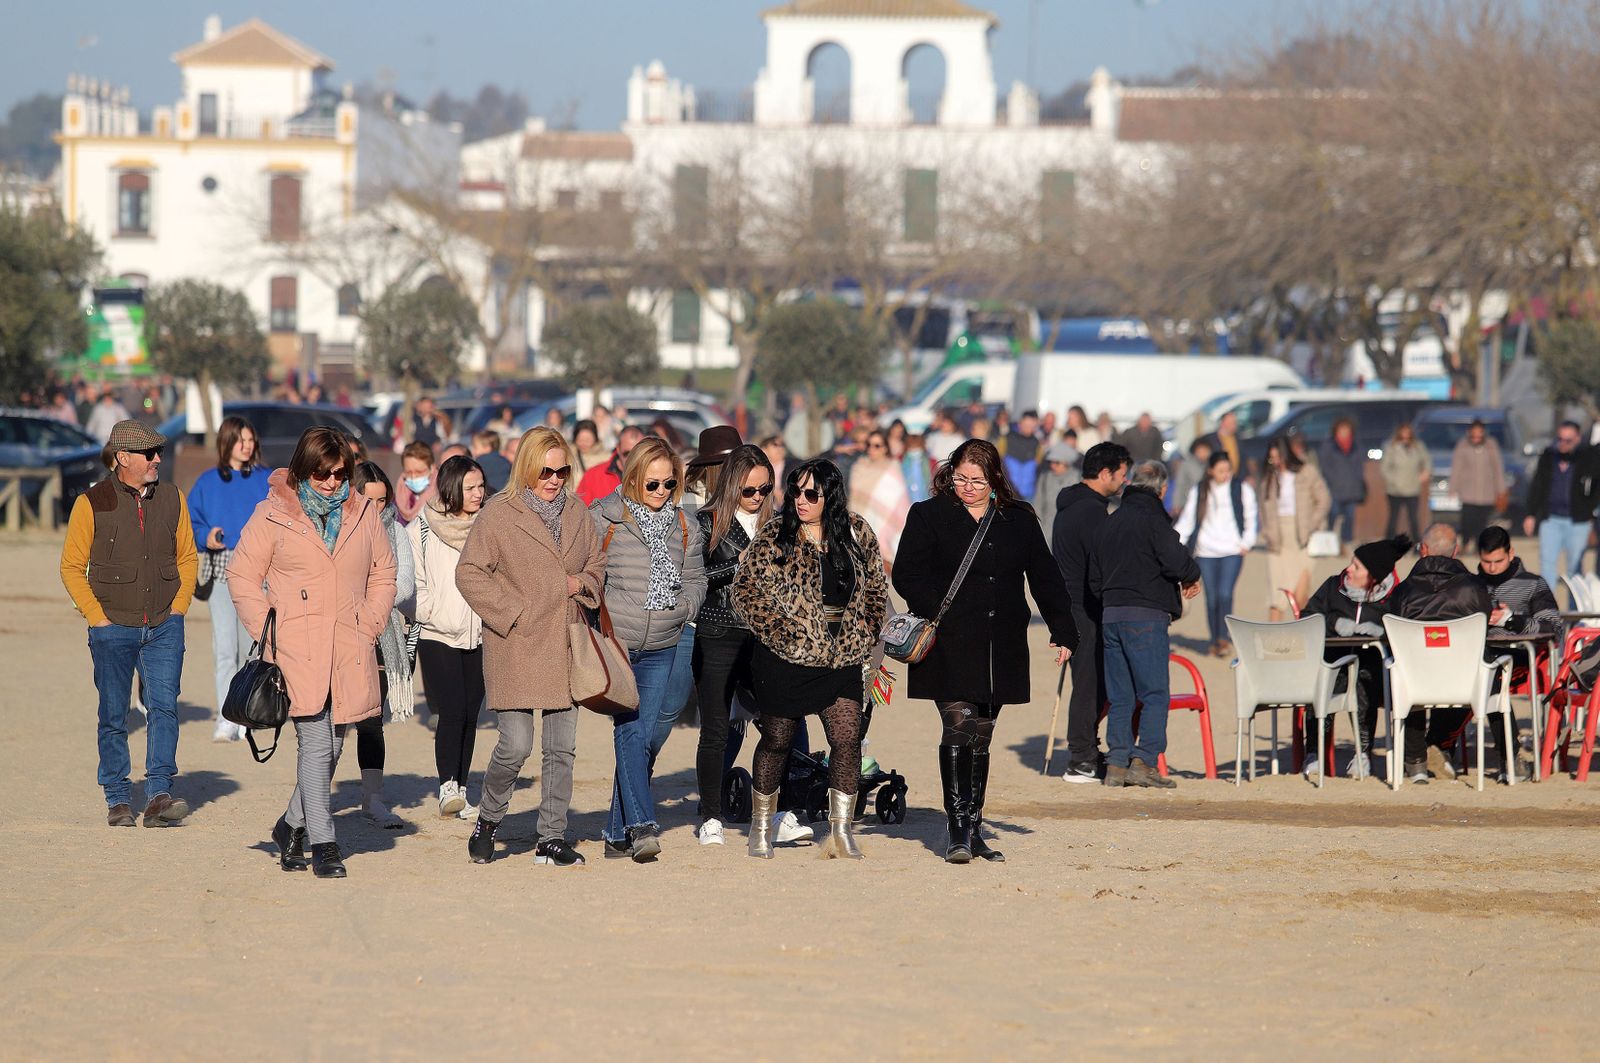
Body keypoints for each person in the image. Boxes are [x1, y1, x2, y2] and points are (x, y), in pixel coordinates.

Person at [896, 440, 1077, 862]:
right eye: (960, 478)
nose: (967, 487)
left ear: (995, 479)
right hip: (948, 641)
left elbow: (1045, 576)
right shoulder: (927, 514)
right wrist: (941, 609)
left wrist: (1063, 628)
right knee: (958, 726)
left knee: (982, 735)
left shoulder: (1018, 519)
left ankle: (975, 829)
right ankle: (957, 828)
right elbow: (906, 574)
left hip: (1001, 644)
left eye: (977, 481)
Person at [230, 427, 397, 878]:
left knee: (335, 744)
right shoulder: (273, 514)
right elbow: (242, 576)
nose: (331, 482)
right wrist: (270, 633)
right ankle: (324, 844)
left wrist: (371, 621)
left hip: (349, 642)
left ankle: (289, 825)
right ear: (304, 469)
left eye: (340, 473)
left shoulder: (363, 512)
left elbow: (384, 572)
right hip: (296, 647)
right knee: (317, 743)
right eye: (322, 473)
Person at [456, 427, 604, 868]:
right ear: (526, 467)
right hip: (516, 644)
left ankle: (551, 837)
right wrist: (512, 612)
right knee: (516, 745)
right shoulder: (499, 514)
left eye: (562, 471)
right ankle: (488, 820)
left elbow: (597, 563)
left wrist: (582, 584)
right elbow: (469, 573)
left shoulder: (578, 512)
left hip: (565, 641)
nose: (554, 479)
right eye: (545, 471)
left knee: (561, 750)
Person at [733, 458, 889, 860]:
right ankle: (761, 828)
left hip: (842, 657)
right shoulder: (776, 534)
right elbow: (745, 590)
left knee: (847, 739)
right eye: (795, 491)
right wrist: (781, 633)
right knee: (777, 740)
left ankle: (841, 832)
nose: (800, 500)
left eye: (811, 494)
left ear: (830, 496)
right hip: (785, 660)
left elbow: (876, 587)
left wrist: (866, 629)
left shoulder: (857, 532)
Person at [60, 420, 198, 828]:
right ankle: (118, 797)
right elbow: (71, 567)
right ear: (122, 457)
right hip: (112, 627)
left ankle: (158, 795)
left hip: (164, 624)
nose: (158, 459)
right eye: (149, 453)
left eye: (159, 452)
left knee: (164, 707)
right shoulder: (91, 503)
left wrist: (179, 608)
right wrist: (97, 618)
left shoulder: (173, 498)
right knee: (114, 715)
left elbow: (188, 557)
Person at [690, 444, 814, 848]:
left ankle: (777, 813)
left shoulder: (779, 525)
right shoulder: (706, 522)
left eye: (764, 489)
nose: (758, 497)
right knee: (715, 729)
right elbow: (695, 578)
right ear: (731, 486)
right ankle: (711, 817)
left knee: (783, 724)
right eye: (749, 491)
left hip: (766, 636)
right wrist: (741, 561)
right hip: (717, 632)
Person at [590, 437, 707, 861]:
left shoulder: (685, 525)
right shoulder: (604, 518)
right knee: (631, 730)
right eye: (652, 484)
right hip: (618, 643)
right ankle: (641, 826)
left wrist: (684, 608)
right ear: (633, 478)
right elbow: (589, 572)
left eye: (669, 484)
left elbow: (696, 579)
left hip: (663, 644)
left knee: (644, 739)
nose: (661, 492)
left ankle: (614, 832)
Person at [1089, 460, 1202, 788]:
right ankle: (1145, 762)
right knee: (1154, 694)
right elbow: (1177, 561)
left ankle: (1116, 765)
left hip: (1111, 615)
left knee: (1121, 696)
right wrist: (1191, 576)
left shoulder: (1110, 522)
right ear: (1162, 490)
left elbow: (1094, 578)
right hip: (1146, 617)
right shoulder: (1154, 520)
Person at [409, 455, 488, 820]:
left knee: (471, 713)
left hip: (481, 632)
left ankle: (462, 789)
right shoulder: (422, 527)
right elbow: (412, 581)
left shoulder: (489, 525)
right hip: (437, 632)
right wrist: (430, 612)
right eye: (470, 487)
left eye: (481, 486)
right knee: (452, 710)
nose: (478, 493)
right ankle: (447, 787)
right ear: (452, 487)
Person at [185, 415, 273, 742]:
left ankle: (248, 712)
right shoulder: (207, 482)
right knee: (224, 647)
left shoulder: (266, 479)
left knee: (251, 647)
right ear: (227, 442)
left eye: (251, 440)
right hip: (221, 567)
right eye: (240, 440)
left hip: (258, 570)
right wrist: (205, 536)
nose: (247, 446)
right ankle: (226, 716)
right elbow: (190, 522)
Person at [1388, 522, 1496, 784]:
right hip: (1462, 683)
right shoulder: (1475, 588)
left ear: (1423, 550)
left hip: (1416, 682)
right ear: (1456, 551)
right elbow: (1485, 624)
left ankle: (1415, 760)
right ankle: (1440, 745)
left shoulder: (1402, 592)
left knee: (1404, 667)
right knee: (1485, 666)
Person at [1050, 442, 1131, 783]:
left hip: (1072, 605)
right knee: (1090, 683)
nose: (1125, 481)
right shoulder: (1091, 513)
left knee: (1091, 682)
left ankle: (1086, 751)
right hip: (1084, 607)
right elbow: (1099, 568)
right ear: (1105, 473)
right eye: (1122, 475)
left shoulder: (1074, 505)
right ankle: (1081, 759)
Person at [1300, 535, 1410, 779]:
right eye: (1351, 562)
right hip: (1334, 664)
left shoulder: (1396, 596)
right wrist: (1334, 623)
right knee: (1322, 680)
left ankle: (1363, 755)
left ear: (1374, 577)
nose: (1348, 569)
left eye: (1357, 567)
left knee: (1363, 679)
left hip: (1376, 674)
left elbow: (1406, 631)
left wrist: (1382, 632)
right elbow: (1307, 617)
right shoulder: (1333, 586)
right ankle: (1314, 754)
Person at [348, 462, 415, 829]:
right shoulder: (338, 528)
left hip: (382, 633)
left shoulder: (397, 532)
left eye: (382, 500)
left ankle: (372, 797)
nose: (376, 508)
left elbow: (404, 583)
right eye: (368, 500)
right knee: (330, 723)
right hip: (341, 632)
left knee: (372, 721)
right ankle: (312, 797)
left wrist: (373, 598)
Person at [1476, 525, 1558, 783]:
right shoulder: (1470, 585)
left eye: (1498, 561)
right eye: (1486, 562)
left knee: (1489, 675)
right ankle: (1436, 747)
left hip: (1520, 656)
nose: (1492, 568)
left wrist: (1512, 621)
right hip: (1477, 656)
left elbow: (1553, 627)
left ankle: (1510, 757)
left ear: (1511, 553)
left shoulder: (1533, 584)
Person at [1174, 451, 1258, 657]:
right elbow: (1187, 520)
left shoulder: (1242, 488)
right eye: (1221, 471)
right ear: (1210, 471)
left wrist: (1247, 542)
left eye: (1228, 470)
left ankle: (1223, 638)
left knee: (1225, 594)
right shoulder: (1199, 490)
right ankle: (1214, 639)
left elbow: (1251, 515)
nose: (1225, 474)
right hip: (1205, 552)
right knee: (1212, 598)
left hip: (1232, 550)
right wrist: (1175, 543)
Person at [1522, 421, 1598, 600]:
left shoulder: (1588, 457)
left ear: (1578, 439)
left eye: (1568, 440)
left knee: (1574, 568)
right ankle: (1548, 608)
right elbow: (1537, 486)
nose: (1563, 444)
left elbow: (1596, 487)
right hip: (1551, 520)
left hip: (1578, 522)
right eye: (1560, 439)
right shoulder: (1549, 456)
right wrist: (1531, 514)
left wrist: (1590, 513)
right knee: (1547, 565)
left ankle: (1576, 609)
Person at [1259, 434, 1332, 620]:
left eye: (1278, 457)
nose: (1275, 461)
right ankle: (1274, 635)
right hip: (1277, 539)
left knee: (1300, 595)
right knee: (1276, 595)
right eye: (1271, 458)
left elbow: (1323, 499)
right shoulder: (1269, 477)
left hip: (1304, 538)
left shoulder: (1307, 472)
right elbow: (1262, 508)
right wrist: (1266, 531)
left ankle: (1300, 633)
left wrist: (1313, 523)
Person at [848, 428, 912, 568]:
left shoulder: (893, 467)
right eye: (869, 445)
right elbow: (855, 497)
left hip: (887, 521)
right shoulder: (859, 466)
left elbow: (899, 500)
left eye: (877, 446)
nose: (872, 449)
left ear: (885, 448)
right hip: (863, 519)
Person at [1449, 419, 1505, 544]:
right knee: (1467, 520)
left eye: (1479, 434)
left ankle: (1478, 544)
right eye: (1474, 435)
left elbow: (1497, 468)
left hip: (1487, 492)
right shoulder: (1462, 445)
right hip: (1468, 492)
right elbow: (1456, 468)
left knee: (1482, 521)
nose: (1476, 438)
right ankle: (1465, 542)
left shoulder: (1491, 445)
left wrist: (1501, 489)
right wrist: (1453, 488)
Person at [1319, 417, 1367, 545]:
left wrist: (1358, 481)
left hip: (1352, 488)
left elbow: (1360, 465)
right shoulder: (1329, 445)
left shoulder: (1356, 445)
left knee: (1350, 517)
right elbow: (1325, 466)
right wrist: (1332, 480)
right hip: (1335, 487)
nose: (1344, 432)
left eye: (1347, 429)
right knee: (1333, 513)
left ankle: (1346, 542)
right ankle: (1329, 541)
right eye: (1342, 429)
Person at [1379, 422, 1431, 539]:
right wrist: (1393, 480)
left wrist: (1425, 473)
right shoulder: (1391, 447)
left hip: (1412, 488)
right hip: (1395, 489)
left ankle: (1417, 542)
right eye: (1403, 432)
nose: (1406, 435)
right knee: (1393, 518)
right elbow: (1384, 467)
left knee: (1413, 518)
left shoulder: (1418, 446)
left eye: (1408, 432)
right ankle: (1388, 542)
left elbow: (1427, 460)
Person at [577, 424, 644, 506]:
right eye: (627, 454)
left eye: (638, 454)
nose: (633, 459)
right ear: (618, 448)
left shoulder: (654, 477)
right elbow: (579, 510)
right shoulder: (593, 476)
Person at [684, 425, 743, 506]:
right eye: (731, 466)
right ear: (707, 468)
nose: (738, 471)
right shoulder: (690, 503)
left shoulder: (748, 494)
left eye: (741, 464)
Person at [1033, 440, 1082, 532]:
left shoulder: (1078, 478)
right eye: (1051, 462)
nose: (1053, 466)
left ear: (1066, 463)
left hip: (1070, 532)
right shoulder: (1045, 478)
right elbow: (1038, 506)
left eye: (1057, 462)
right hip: (1047, 531)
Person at [1168, 437, 1213, 520]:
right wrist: (1177, 504)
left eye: (1206, 450)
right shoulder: (1186, 465)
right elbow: (1180, 485)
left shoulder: (1213, 464)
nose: (1203, 454)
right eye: (1200, 451)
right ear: (1194, 451)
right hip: (1190, 502)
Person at [1002, 411, 1043, 499]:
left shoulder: (1037, 443)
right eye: (1026, 425)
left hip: (1028, 495)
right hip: (1008, 493)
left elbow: (1038, 465)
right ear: (1020, 424)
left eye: (1032, 426)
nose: (1029, 428)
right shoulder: (1006, 439)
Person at [396, 441, 436, 524]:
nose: (413, 477)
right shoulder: (395, 503)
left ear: (432, 468)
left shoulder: (442, 499)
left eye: (419, 472)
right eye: (408, 472)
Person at [902, 433, 932, 503]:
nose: (914, 449)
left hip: (926, 498)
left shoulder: (931, 461)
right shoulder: (901, 461)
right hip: (906, 498)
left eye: (917, 447)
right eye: (911, 447)